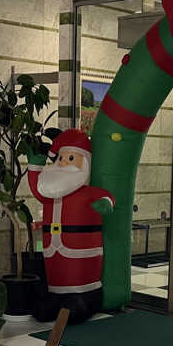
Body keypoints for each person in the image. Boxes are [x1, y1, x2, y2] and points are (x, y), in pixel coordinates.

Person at [27, 129, 114, 324]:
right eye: (61, 158)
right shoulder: (51, 193)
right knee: (56, 277)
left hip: (81, 254)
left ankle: (85, 300)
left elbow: (106, 196)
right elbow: (38, 189)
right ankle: (54, 300)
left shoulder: (88, 192)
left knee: (77, 278)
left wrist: (106, 203)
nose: (64, 163)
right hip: (53, 250)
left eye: (71, 158)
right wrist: (34, 166)